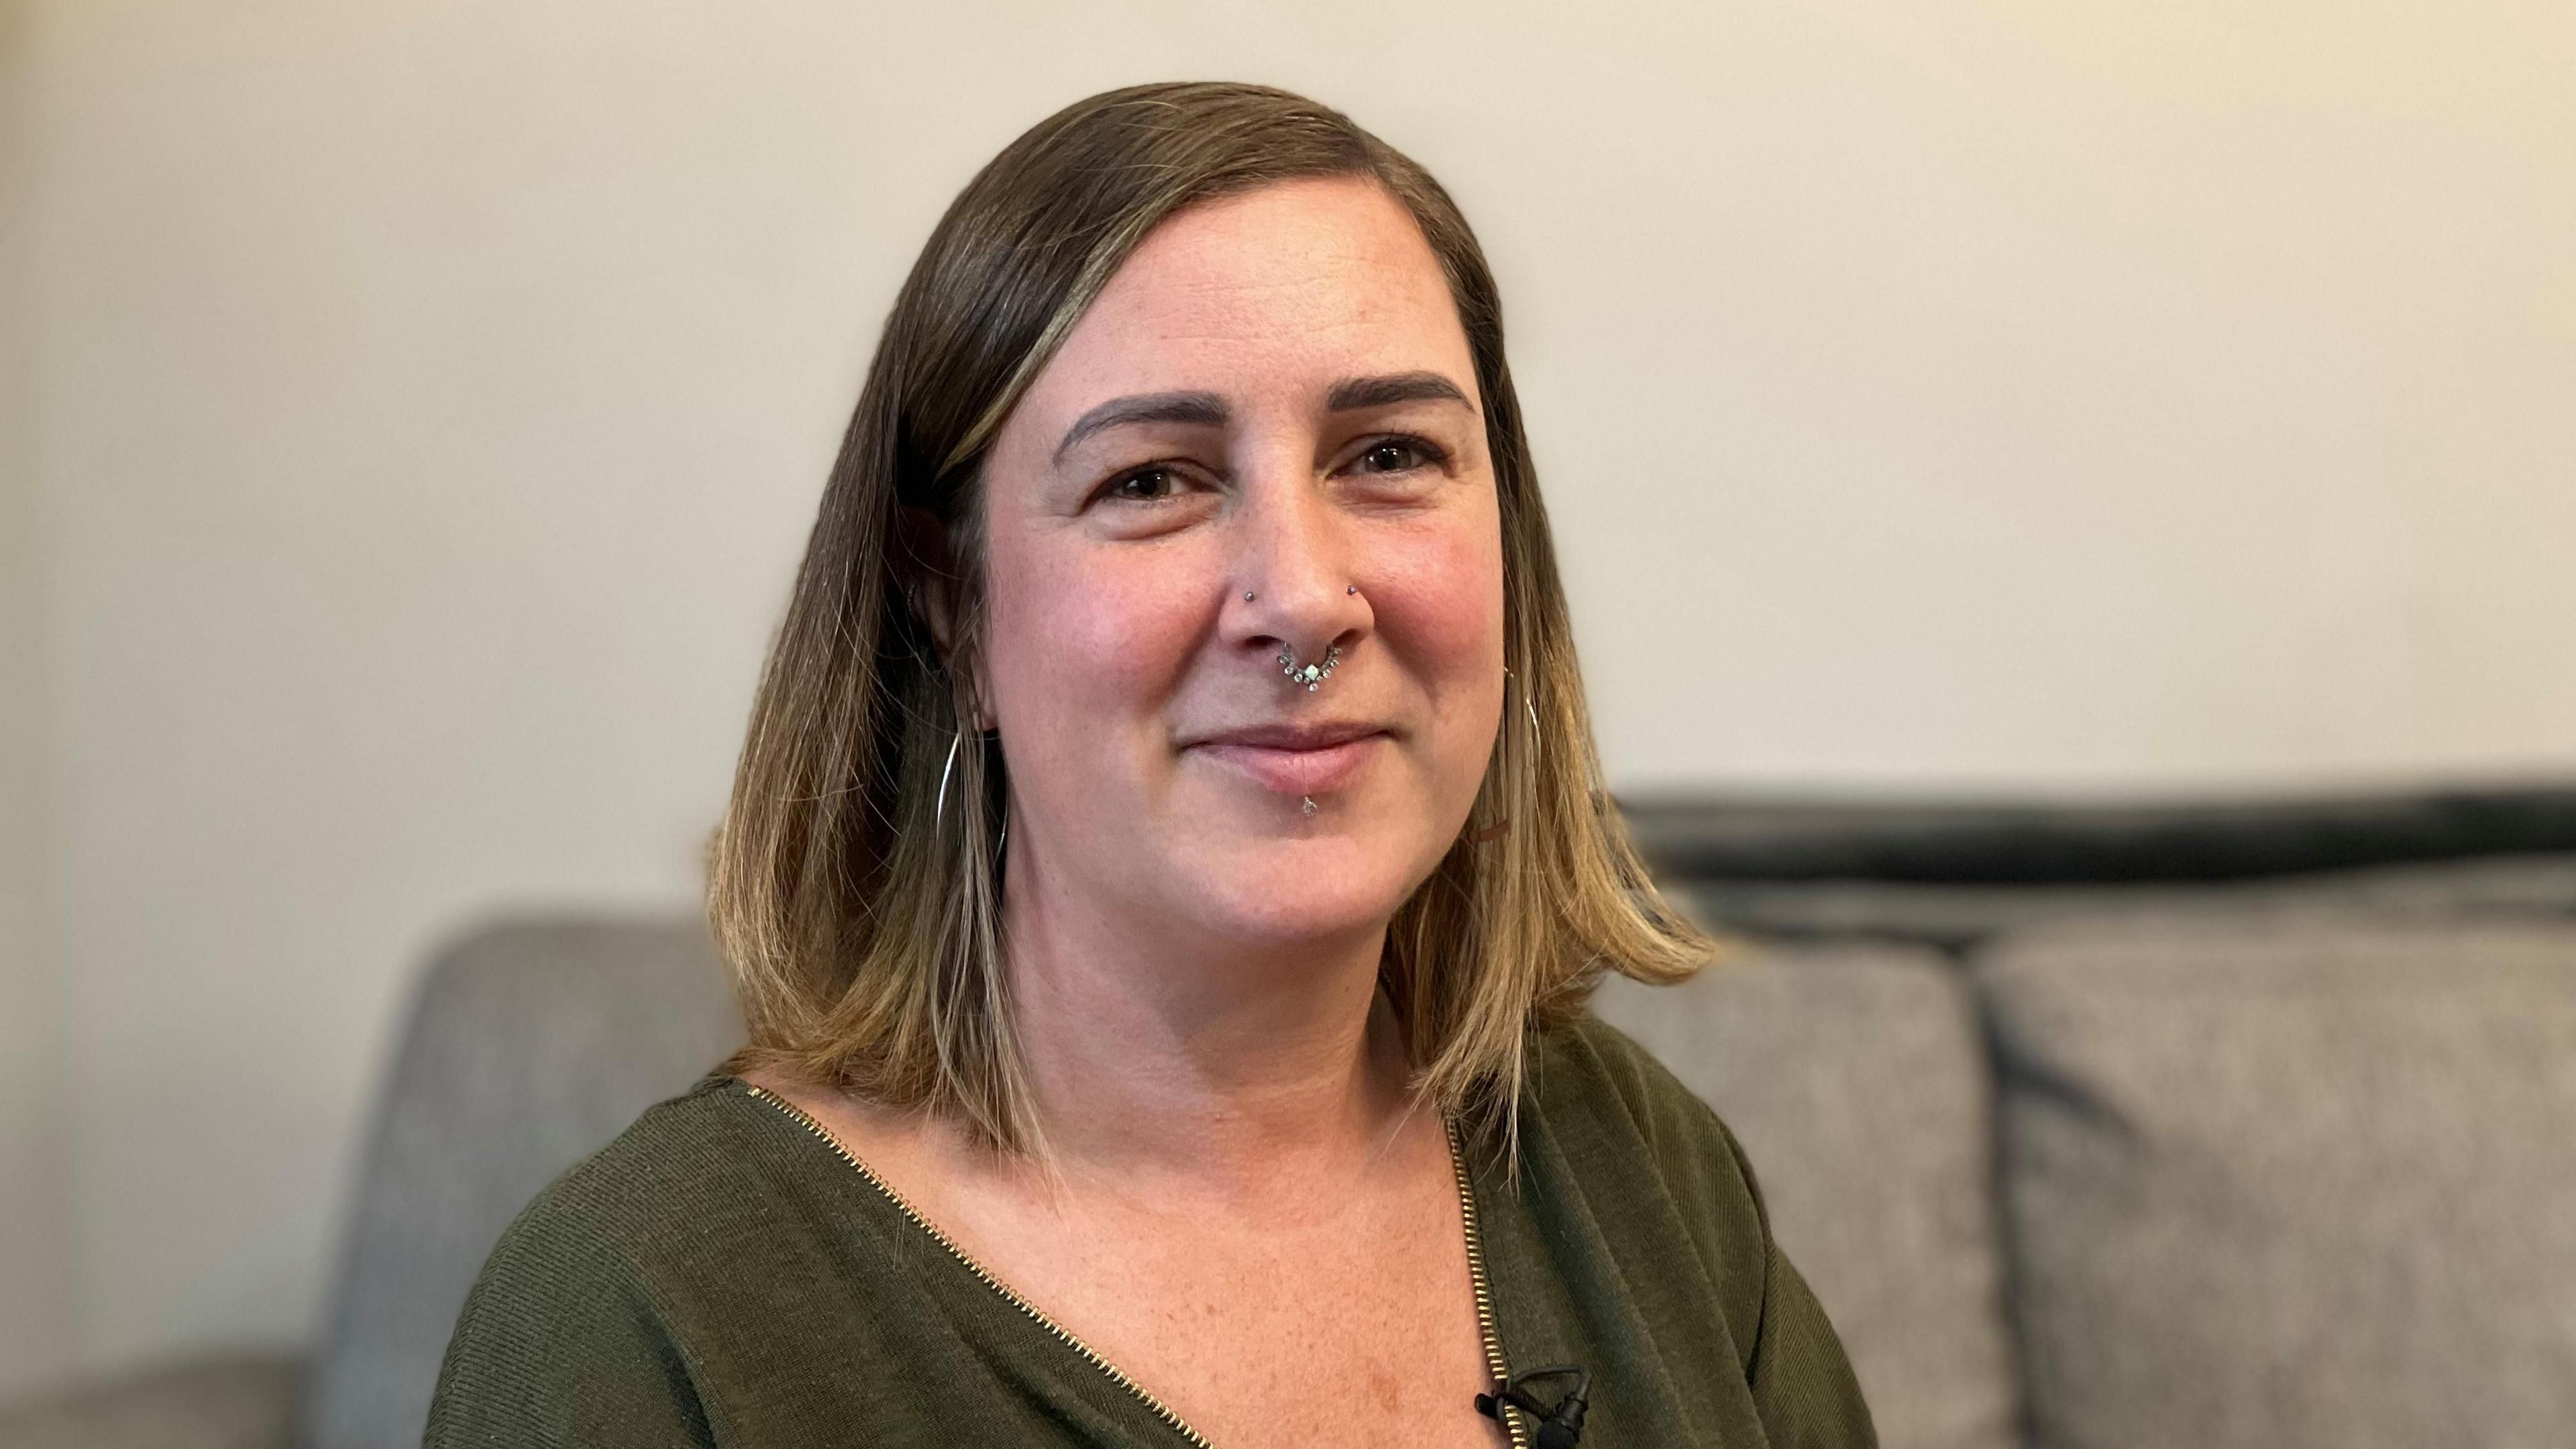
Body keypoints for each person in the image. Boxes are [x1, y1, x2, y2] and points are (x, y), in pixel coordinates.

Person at [427, 80, 1877, 1449]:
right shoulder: (648, 1319)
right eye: (1152, 481)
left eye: (1387, 455)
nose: (1306, 599)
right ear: (953, 608)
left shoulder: (1639, 1174)